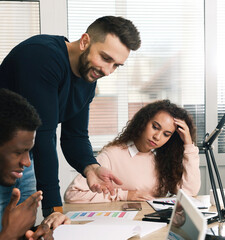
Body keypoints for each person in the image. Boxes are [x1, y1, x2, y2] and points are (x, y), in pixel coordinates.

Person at [0, 16, 141, 217]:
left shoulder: (88, 78)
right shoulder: (42, 56)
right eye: (106, 58)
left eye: (116, 65)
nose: (108, 71)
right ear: (85, 41)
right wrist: (54, 208)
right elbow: (43, 136)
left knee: (21, 229)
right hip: (5, 155)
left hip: (23, 158)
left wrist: (91, 167)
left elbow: (75, 135)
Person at [64, 100, 200, 202]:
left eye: (166, 134)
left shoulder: (163, 160)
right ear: (143, 122)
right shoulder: (112, 154)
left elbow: (189, 192)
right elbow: (72, 194)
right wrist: (125, 195)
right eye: (155, 127)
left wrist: (188, 145)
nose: (157, 137)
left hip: (155, 223)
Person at [0, 89, 70, 240]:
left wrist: (45, 228)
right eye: (18, 152)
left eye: (29, 152)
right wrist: (9, 234)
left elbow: (21, 231)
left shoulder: (15, 177)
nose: (27, 162)